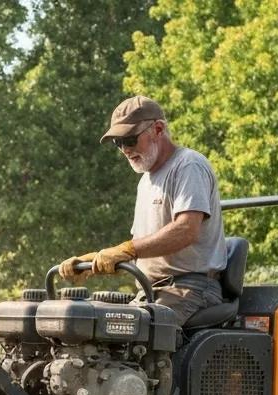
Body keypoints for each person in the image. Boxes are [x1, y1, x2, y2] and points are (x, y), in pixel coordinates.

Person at [60, 95, 226, 326]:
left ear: (158, 129)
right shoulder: (146, 181)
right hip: (152, 289)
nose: (125, 150)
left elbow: (186, 230)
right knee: (94, 325)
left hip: (191, 288)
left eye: (129, 140)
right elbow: (143, 245)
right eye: (118, 144)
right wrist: (96, 260)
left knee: (132, 334)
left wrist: (127, 250)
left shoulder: (188, 165)